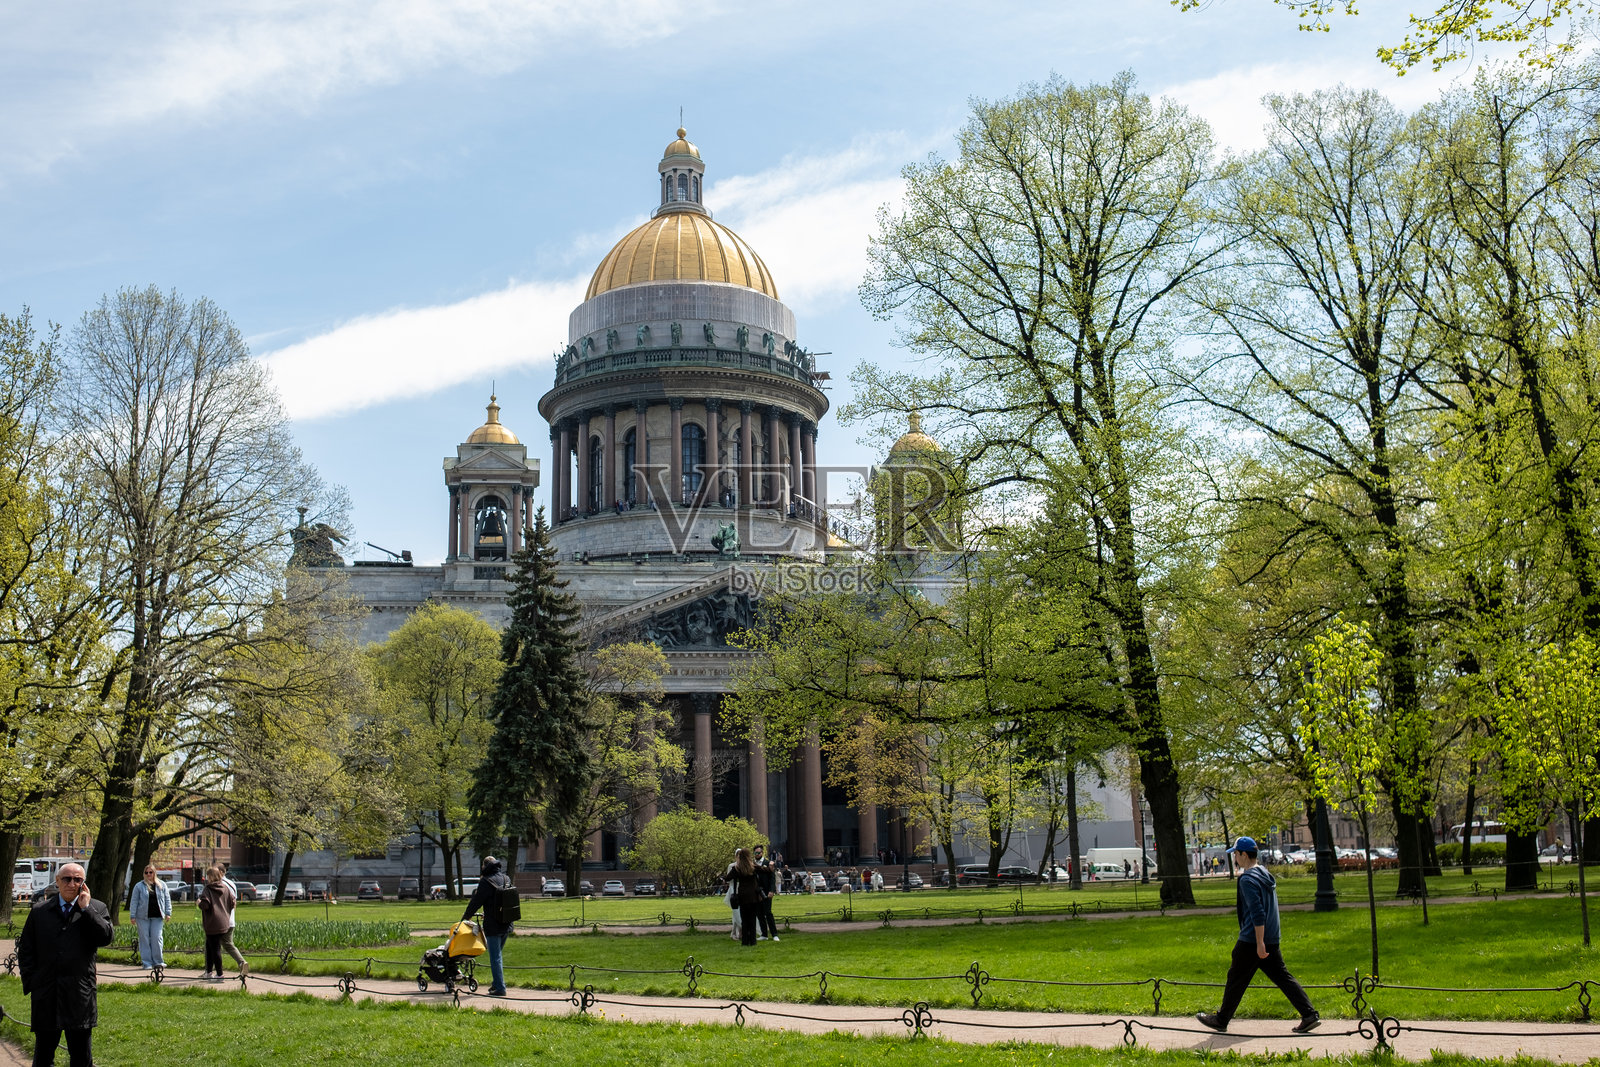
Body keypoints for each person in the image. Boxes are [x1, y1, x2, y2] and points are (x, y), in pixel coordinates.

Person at [1196, 837, 1320, 1035]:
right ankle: (1309, 1015)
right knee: (1282, 977)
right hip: (1271, 937)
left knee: (1236, 978)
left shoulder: (1247, 879)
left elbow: (1258, 912)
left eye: (1236, 854)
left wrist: (1260, 943)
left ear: (1244, 855)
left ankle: (1221, 1019)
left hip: (1253, 940)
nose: (1235, 858)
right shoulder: (1264, 874)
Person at [17, 862, 113, 1067]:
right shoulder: (40, 911)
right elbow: (26, 949)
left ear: (84, 884)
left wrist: (86, 908)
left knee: (81, 1057)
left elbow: (105, 937)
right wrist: (33, 982)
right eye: (67, 879)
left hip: (79, 995)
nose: (72, 883)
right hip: (46, 994)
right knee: (43, 1057)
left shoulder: (96, 908)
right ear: (57, 881)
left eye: (78, 879)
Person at [460, 855, 514, 996]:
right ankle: (496, 984)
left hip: (493, 925)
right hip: (506, 922)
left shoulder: (486, 881)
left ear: (485, 866)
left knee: (495, 957)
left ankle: (500, 988)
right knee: (498, 955)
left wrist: (466, 917)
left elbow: (476, 901)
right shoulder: (505, 878)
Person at [198, 866, 245, 980]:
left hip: (212, 923)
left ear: (209, 877)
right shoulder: (225, 888)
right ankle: (208, 971)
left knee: (215, 949)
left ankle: (219, 974)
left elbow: (205, 905)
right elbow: (233, 902)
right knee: (210, 947)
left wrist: (199, 903)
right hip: (224, 922)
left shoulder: (208, 889)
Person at [128, 865, 171, 970]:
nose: (148, 874)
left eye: (150, 872)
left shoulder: (162, 885)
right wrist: (132, 915)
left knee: (157, 938)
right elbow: (134, 901)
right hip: (142, 917)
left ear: (154, 873)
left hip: (157, 916)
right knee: (145, 939)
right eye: (146, 872)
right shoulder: (139, 886)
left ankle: (158, 961)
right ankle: (147, 962)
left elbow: (167, 899)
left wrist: (168, 912)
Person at [724, 848, 761, 947]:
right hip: (753, 896)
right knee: (752, 919)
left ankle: (745, 941)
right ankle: (753, 941)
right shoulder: (753, 867)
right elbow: (763, 871)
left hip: (743, 895)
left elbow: (728, 878)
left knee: (744, 919)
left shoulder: (737, 868)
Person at [754, 858, 780, 942]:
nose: (757, 855)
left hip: (766, 892)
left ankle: (774, 934)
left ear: (762, 853)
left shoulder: (768, 863)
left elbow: (772, 878)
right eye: (755, 853)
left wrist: (772, 890)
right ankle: (764, 934)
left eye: (758, 853)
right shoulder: (753, 863)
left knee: (768, 913)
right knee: (759, 913)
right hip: (757, 892)